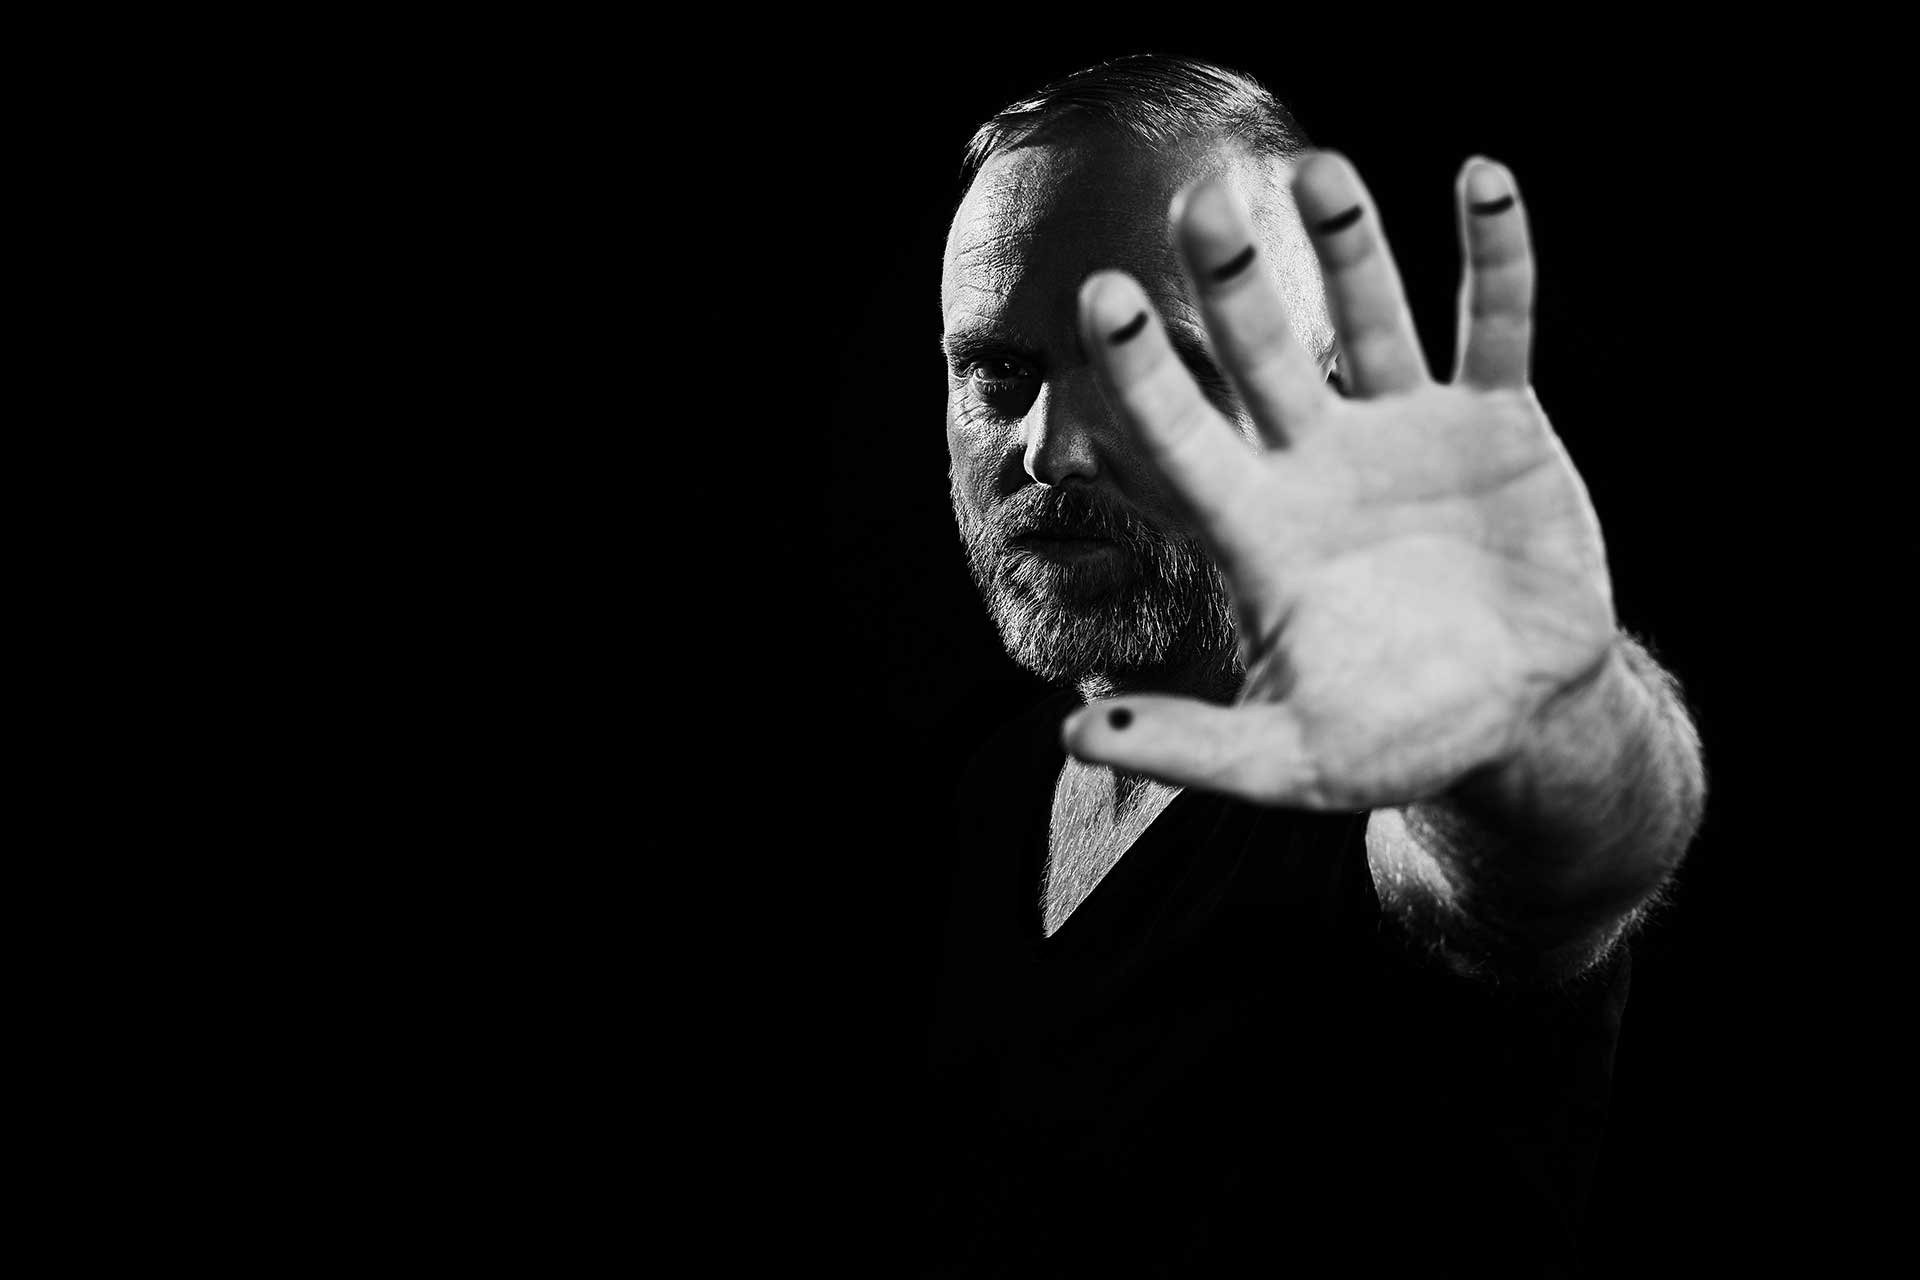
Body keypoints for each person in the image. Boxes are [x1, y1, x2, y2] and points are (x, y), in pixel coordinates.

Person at [922, 55, 1707, 1276]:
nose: (1051, 446)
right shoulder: (977, 795)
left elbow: (1554, 845)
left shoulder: (1387, 790)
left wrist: (1536, 705)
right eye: (998, 371)